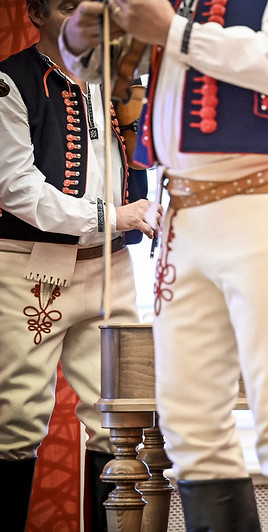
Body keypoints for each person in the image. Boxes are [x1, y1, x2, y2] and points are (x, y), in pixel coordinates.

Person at [61, 0, 268, 530]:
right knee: (188, 423)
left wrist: (174, 31)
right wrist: (81, 36)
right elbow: (105, 68)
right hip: (183, 208)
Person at [0, 0, 158, 530]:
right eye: (69, 5)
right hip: (30, 265)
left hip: (111, 264)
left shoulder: (120, 80)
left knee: (117, 417)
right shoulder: (9, 84)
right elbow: (19, 190)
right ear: (36, 13)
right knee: (16, 419)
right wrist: (113, 213)